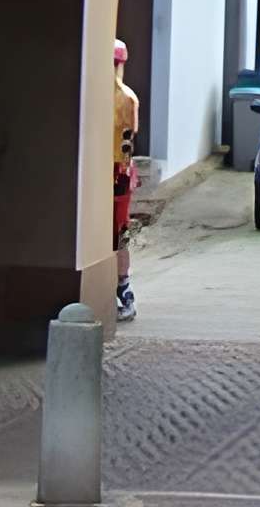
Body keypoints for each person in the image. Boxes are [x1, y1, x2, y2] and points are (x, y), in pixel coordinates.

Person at [112, 38, 141, 321]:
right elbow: (131, 136)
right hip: (120, 174)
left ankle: (123, 289)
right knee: (120, 234)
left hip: (114, 174)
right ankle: (123, 288)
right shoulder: (128, 97)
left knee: (118, 234)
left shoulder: (121, 97)